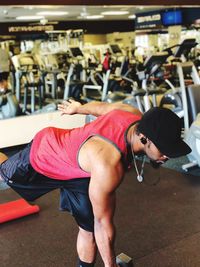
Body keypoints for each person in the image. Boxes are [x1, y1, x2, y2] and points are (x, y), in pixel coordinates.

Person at [0, 99, 191, 267]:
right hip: (45, 153)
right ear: (144, 138)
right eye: (164, 149)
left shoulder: (134, 115)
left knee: (88, 226)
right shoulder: (108, 164)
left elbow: (101, 107)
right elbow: (104, 223)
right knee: (3, 172)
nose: (167, 155)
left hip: (80, 168)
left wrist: (79, 108)